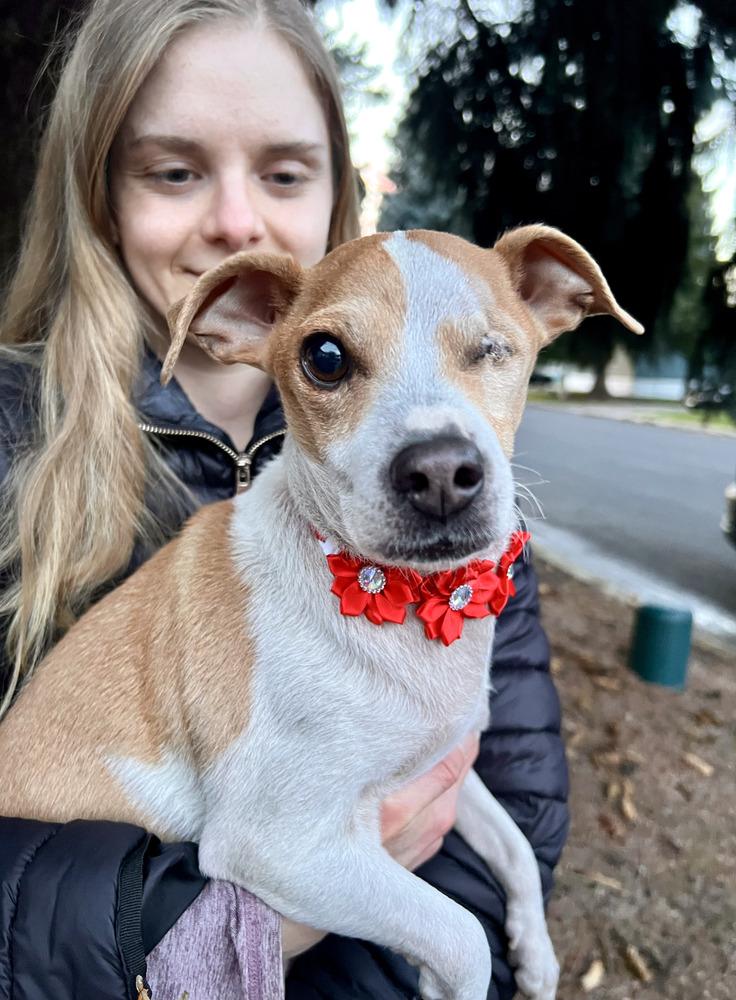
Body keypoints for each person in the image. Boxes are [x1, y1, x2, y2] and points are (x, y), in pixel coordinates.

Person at [0, 1, 569, 997]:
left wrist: (507, 901)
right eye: (172, 169)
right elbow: (265, 840)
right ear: (98, 192)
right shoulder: (24, 444)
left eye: (284, 170)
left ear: (338, 186)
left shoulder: (474, 534)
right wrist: (219, 940)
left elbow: (486, 773)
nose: (233, 217)